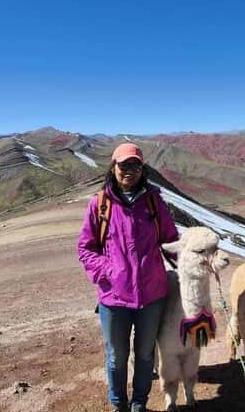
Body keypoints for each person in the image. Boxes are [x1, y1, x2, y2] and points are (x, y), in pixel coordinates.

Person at [77, 143, 179, 412]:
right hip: (114, 298)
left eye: (135, 165)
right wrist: (108, 272)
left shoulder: (155, 202)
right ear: (113, 167)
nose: (129, 171)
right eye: (124, 165)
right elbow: (86, 248)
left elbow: (170, 240)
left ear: (142, 169)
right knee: (116, 358)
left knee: (145, 355)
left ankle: (139, 404)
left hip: (152, 296)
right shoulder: (99, 205)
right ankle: (118, 404)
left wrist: (194, 262)